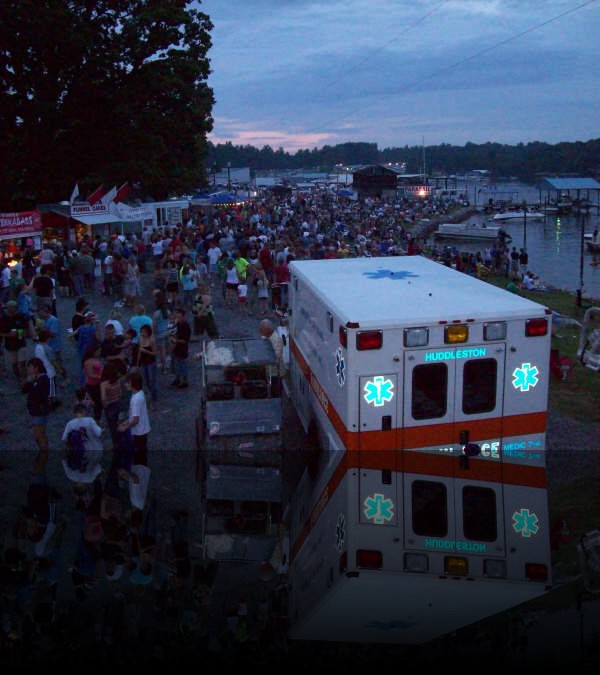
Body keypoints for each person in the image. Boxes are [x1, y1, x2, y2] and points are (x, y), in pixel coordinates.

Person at [61, 402, 104, 485]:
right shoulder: (90, 420)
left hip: (78, 454)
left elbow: (64, 439)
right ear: (85, 412)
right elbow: (99, 433)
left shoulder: (70, 423)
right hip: (96, 451)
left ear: (74, 413)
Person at [21, 357, 51, 475]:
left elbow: (37, 394)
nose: (28, 369)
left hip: (39, 411)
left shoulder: (42, 380)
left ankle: (42, 461)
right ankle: (42, 459)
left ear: (36, 368)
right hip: (36, 411)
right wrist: (30, 381)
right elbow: (24, 389)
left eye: (30, 367)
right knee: (37, 435)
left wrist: (32, 382)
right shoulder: (36, 379)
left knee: (40, 435)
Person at [119, 370, 151, 467]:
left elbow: (136, 420)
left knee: (138, 457)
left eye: (127, 382)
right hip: (143, 429)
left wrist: (125, 427)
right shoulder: (140, 393)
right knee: (142, 454)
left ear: (132, 384)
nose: (125, 385)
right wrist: (127, 421)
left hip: (139, 432)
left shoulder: (135, 399)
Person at [0, 299, 34, 382]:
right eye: (14, 307)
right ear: (9, 308)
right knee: (14, 364)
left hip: (21, 344)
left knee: (22, 363)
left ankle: (24, 379)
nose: (16, 308)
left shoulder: (21, 316)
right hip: (10, 346)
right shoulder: (3, 319)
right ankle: (19, 378)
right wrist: (9, 335)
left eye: (16, 306)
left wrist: (20, 333)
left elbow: (26, 329)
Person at [133, 323, 158, 409]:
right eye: (142, 332)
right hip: (143, 363)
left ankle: (152, 399)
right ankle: (149, 397)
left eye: (144, 332)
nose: (143, 333)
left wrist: (145, 351)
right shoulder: (140, 339)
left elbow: (155, 353)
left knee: (151, 380)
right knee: (145, 381)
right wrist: (137, 364)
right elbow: (139, 353)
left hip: (151, 362)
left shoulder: (151, 340)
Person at [169, 307, 191, 389]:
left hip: (182, 348)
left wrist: (175, 340)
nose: (177, 318)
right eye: (176, 316)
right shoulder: (177, 324)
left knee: (182, 365)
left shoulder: (185, 326)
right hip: (177, 347)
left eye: (179, 316)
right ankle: (177, 379)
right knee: (177, 364)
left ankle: (184, 381)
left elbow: (185, 340)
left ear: (183, 316)